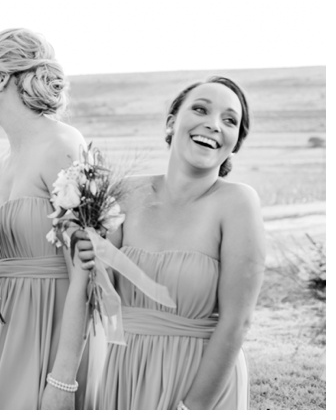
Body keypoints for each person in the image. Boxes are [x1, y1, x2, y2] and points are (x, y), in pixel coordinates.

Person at [53, 76, 265, 410]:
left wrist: (192, 409)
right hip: (124, 375)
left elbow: (237, 322)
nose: (214, 124)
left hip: (198, 384)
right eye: (201, 109)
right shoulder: (125, 193)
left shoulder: (238, 203)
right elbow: (93, 293)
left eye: (229, 120)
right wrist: (62, 383)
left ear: (235, 143)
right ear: (171, 123)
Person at [0, 28, 94, 409]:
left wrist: (63, 381)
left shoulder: (63, 145)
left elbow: (87, 273)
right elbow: (0, 289)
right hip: (6, 340)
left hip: (57, 342)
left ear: (1, 77)